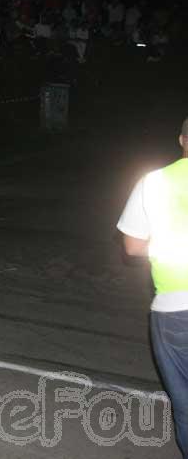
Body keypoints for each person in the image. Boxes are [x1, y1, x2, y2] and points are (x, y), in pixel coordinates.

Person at [117, 117, 188, 458]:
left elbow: (131, 247)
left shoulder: (154, 182)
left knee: (186, 405)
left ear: (181, 140)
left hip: (175, 311)